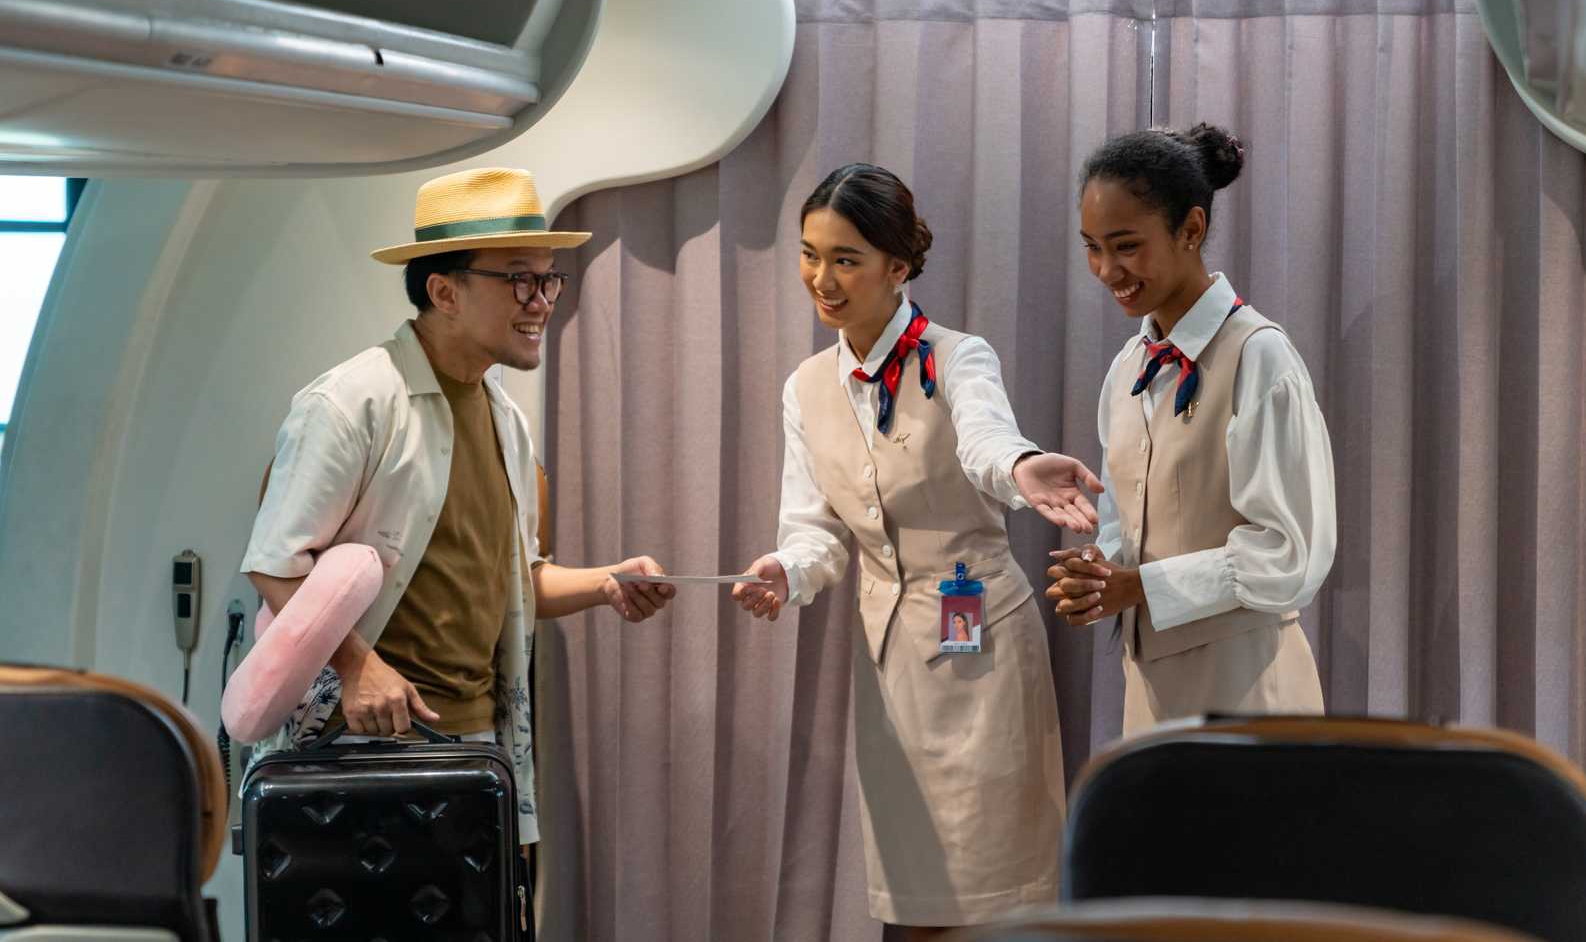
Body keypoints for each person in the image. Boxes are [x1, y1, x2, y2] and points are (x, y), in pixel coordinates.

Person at [240, 167, 674, 845]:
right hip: (356, 743)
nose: (542, 301)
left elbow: (514, 580)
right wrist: (359, 665)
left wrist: (607, 582)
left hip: (475, 738)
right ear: (444, 290)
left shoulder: (505, 417)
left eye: (550, 278)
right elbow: (274, 564)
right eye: (519, 280)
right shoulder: (349, 402)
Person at [731, 163, 1101, 938]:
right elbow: (817, 531)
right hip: (891, 663)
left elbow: (986, 444)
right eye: (809, 254)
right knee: (916, 897)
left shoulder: (958, 357)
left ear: (898, 266)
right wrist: (786, 571)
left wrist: (1021, 467)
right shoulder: (807, 386)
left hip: (985, 655)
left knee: (998, 895)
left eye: (845, 259)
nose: (821, 279)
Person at [1045, 124, 1334, 735]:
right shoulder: (1128, 370)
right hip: (1151, 698)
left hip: (1251, 691)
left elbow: (1290, 553)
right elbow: (1130, 527)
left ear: (1192, 229)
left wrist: (1140, 586)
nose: (1105, 269)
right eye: (1091, 247)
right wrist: (1101, 570)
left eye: (1125, 245)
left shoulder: (1260, 356)